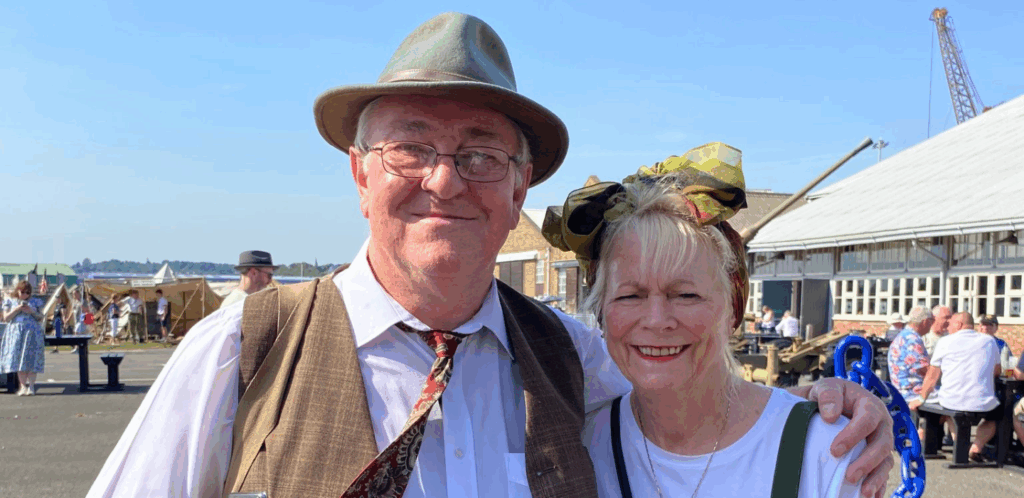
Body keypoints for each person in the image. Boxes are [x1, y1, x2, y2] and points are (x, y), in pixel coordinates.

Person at [87, 13, 893, 498]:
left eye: (480, 154)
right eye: (410, 148)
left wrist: (825, 407)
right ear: (361, 174)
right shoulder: (241, 350)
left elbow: (686, 394)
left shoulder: (574, 357)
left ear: (517, 191)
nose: (444, 180)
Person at [550, 154, 866, 497]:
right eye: (629, 296)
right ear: (601, 313)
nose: (657, 320)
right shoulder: (583, 447)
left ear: (732, 309)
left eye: (686, 295)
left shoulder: (825, 451)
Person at [914, 312, 1001, 462]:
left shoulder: (945, 342)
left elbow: (932, 376)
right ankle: (976, 447)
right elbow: (997, 371)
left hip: (951, 399)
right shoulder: (989, 341)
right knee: (997, 414)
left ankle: (960, 446)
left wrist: (921, 398)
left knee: (947, 411)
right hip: (983, 402)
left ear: (959, 325)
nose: (947, 327)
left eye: (950, 324)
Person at [886, 306, 933, 440]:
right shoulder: (912, 339)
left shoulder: (903, 335)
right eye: (931, 321)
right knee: (951, 399)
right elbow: (925, 370)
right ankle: (924, 435)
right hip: (911, 391)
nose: (932, 326)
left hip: (900, 387)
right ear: (925, 322)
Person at [1, 281, 46, 396]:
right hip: (16, 333)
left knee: (31, 359)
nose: (25, 295)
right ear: (17, 291)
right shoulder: (10, 301)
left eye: (28, 293)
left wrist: (32, 311)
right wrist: (17, 309)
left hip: (32, 333)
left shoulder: (35, 302)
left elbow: (41, 317)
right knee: (18, 359)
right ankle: (22, 386)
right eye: (23, 292)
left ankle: (31, 386)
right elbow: (6, 318)